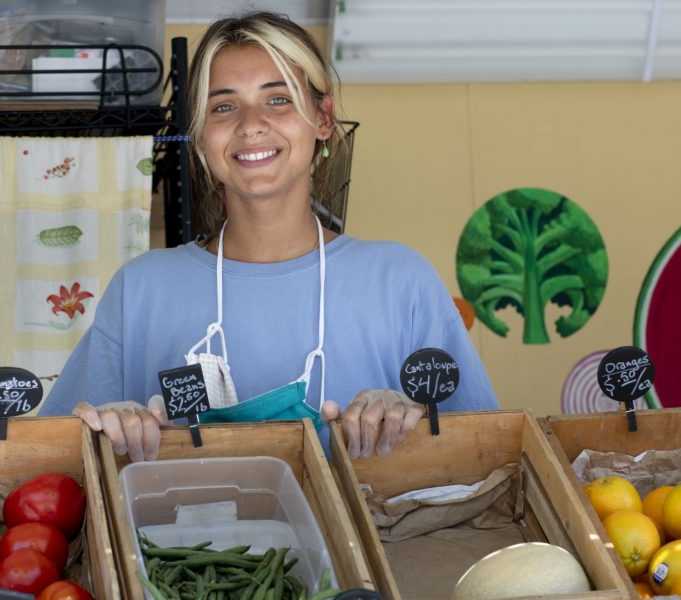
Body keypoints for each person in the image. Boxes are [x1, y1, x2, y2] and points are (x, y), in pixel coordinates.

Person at [38, 11, 498, 461]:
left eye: (277, 99)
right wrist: (100, 430)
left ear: (322, 119)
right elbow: (51, 462)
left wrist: (413, 420)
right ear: (199, 136)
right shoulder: (140, 289)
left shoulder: (400, 279)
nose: (250, 123)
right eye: (223, 106)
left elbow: (484, 456)